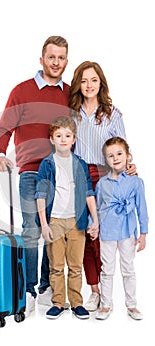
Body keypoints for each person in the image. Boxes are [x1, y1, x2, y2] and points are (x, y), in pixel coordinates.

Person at [0, 36, 70, 316]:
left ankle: (48, 287)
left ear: (66, 61)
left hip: (61, 173)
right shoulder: (22, 90)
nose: (56, 63)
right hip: (30, 171)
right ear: (42, 60)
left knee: (55, 229)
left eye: (61, 58)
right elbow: (4, 128)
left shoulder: (69, 93)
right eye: (51, 57)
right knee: (31, 229)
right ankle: (29, 288)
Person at [68, 61, 137, 311]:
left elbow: (123, 148)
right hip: (79, 176)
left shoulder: (112, 114)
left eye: (94, 80)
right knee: (86, 235)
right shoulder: (71, 113)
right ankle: (94, 290)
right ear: (78, 84)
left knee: (105, 235)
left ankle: (110, 294)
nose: (89, 85)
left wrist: (129, 165)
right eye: (84, 80)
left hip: (106, 177)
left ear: (101, 83)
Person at [35, 116, 99, 319]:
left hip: (76, 221)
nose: (63, 139)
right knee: (56, 266)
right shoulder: (47, 164)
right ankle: (58, 302)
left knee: (75, 265)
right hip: (54, 220)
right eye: (59, 135)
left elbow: (89, 192)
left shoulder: (80, 163)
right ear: (52, 139)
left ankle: (77, 303)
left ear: (74, 139)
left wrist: (95, 220)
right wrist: (44, 224)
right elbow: (41, 195)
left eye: (68, 135)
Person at [94, 137, 148, 320]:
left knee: (128, 269)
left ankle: (132, 305)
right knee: (107, 270)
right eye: (110, 156)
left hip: (127, 232)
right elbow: (97, 207)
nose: (115, 158)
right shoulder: (102, 183)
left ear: (127, 156)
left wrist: (143, 234)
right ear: (106, 159)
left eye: (119, 154)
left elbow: (142, 209)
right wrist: (92, 225)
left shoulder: (136, 182)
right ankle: (106, 304)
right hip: (107, 232)